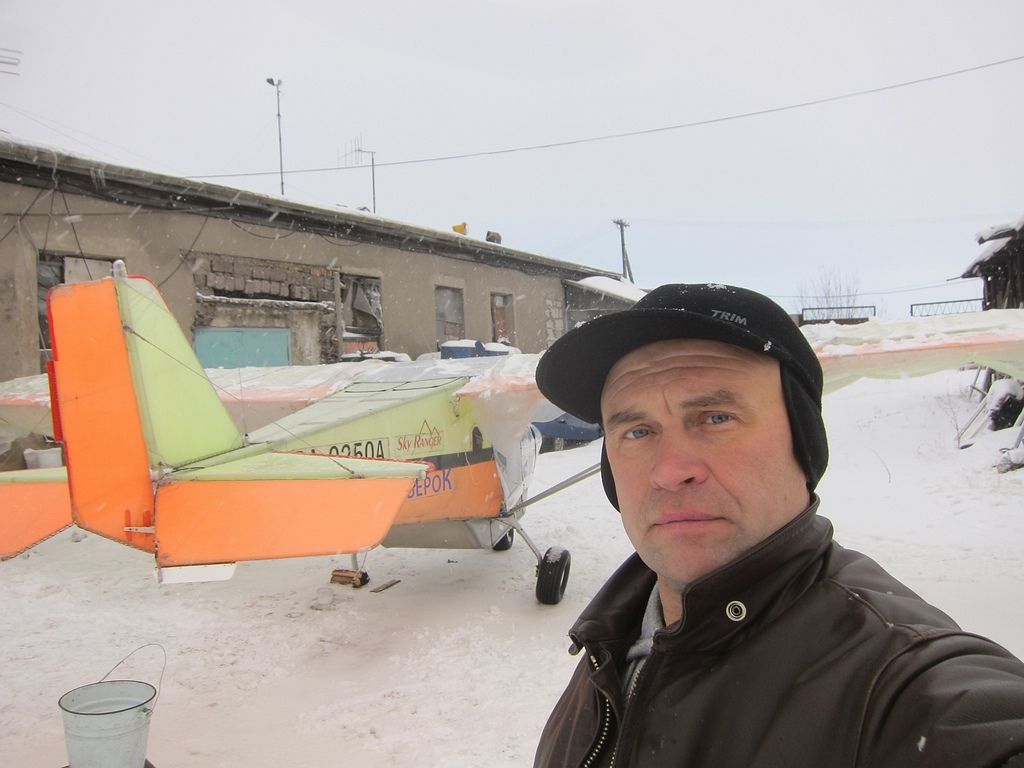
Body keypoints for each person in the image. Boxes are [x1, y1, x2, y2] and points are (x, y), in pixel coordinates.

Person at [533, 283, 1024, 768]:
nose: (669, 470)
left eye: (716, 418)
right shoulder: (611, 639)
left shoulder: (899, 682)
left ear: (804, 445)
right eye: (637, 431)